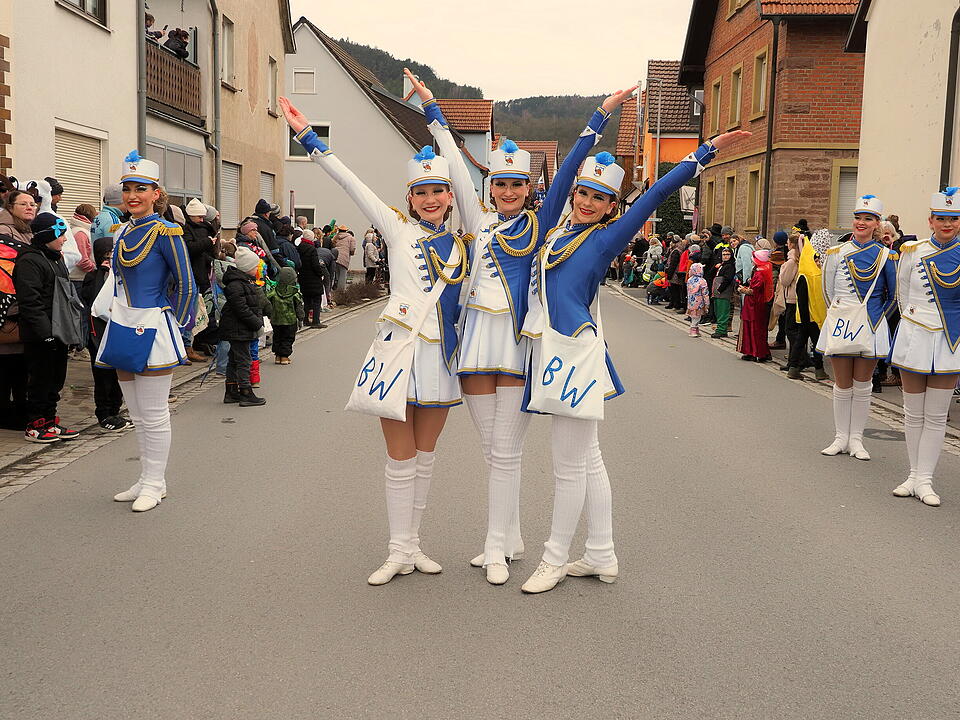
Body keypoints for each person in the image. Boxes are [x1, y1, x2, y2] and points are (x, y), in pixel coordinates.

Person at [408, 70, 636, 585]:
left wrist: (598, 119)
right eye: (500, 183)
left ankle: (495, 548)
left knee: (507, 452)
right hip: (473, 346)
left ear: (529, 188)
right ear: (490, 187)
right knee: (494, 452)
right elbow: (458, 175)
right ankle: (510, 537)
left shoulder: (542, 221)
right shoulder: (477, 219)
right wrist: (431, 109)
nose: (508, 191)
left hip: (515, 346)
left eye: (517, 184)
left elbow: (568, 177)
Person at [518, 129, 750, 594]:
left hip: (574, 354)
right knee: (589, 458)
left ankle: (554, 558)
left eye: (599, 198)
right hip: (553, 350)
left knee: (568, 464)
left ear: (610, 206)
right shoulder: (558, 231)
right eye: (583, 192)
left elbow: (658, 193)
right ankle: (601, 553)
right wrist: (594, 123)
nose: (586, 202)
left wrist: (705, 152)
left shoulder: (606, 238)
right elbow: (562, 175)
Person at [281, 94, 472, 586]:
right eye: (421, 192)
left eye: (439, 191)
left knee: (425, 459)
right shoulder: (397, 229)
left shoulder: (468, 244)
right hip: (398, 354)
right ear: (409, 198)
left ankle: (414, 546)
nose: (430, 199)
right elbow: (351, 181)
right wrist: (308, 138)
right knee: (399, 457)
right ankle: (396, 550)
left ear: (451, 196)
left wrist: (437, 118)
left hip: (442, 358)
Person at [98, 151, 197, 512]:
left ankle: (155, 484)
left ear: (156, 193)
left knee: (154, 414)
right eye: (127, 189)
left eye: (141, 188)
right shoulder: (123, 231)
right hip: (123, 324)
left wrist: (182, 332)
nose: (132, 195)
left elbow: (187, 284)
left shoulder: (167, 232)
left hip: (154, 329)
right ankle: (146, 478)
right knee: (136, 413)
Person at [888, 188, 960, 506]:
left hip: (950, 337)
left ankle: (927, 480)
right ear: (930, 220)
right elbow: (903, 294)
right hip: (915, 334)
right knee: (912, 412)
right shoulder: (912, 252)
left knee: (936, 415)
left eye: (954, 219)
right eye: (941, 218)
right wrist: (912, 325)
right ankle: (913, 475)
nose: (947, 224)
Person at [817, 195, 896, 462]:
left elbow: (893, 296)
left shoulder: (886, 256)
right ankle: (841, 437)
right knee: (841, 384)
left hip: (871, 324)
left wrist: (875, 320)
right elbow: (827, 292)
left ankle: (857, 439)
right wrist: (841, 315)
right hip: (841, 322)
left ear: (877, 224)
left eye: (868, 219)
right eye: (858, 217)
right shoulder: (836, 253)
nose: (861, 223)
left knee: (863, 384)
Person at [13, 212, 81, 443]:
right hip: (40, 334)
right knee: (40, 380)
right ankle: (35, 425)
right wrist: (45, 334)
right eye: (60, 235)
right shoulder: (29, 261)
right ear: (47, 235)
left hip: (59, 330)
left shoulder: (55, 258)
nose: (64, 239)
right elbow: (30, 302)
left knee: (56, 380)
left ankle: (50, 422)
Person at [81, 236, 130, 431]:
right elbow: (94, 302)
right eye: (108, 256)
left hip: (117, 330)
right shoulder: (93, 276)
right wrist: (103, 272)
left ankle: (115, 411)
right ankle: (104, 413)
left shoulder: (121, 275)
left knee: (117, 374)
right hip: (98, 334)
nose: (111, 260)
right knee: (102, 376)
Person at [220, 247, 268, 406]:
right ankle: (245, 392)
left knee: (234, 359)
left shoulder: (242, 282)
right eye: (255, 267)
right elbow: (241, 308)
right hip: (239, 328)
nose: (257, 269)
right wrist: (256, 323)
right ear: (247, 268)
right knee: (244, 360)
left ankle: (231, 391)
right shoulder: (237, 284)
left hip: (239, 327)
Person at [736, 248, 774, 362]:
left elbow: (754, 291)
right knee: (757, 328)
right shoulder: (765, 270)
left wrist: (742, 290)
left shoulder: (759, 273)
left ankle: (753, 351)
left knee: (753, 327)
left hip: (754, 304)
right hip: (757, 304)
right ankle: (758, 352)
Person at [776, 233, 803, 378]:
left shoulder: (792, 261)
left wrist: (782, 271)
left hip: (792, 297)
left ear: (792, 244)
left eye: (788, 242)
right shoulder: (798, 259)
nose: (786, 244)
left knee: (790, 329)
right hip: (795, 297)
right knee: (793, 329)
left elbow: (785, 280)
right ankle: (795, 359)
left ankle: (797, 359)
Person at [267, 266, 303, 365]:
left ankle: (278, 356)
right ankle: (284, 356)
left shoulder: (274, 291)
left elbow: (267, 302)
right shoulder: (295, 293)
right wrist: (301, 319)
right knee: (288, 338)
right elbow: (299, 308)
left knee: (277, 337)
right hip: (290, 320)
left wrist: (269, 314)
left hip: (276, 320)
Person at [295, 229, 329, 327]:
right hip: (313, 278)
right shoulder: (311, 249)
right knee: (317, 300)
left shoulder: (299, 247)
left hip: (303, 277)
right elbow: (315, 264)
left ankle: (305, 320)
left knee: (306, 300)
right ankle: (316, 321)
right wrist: (320, 274)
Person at [710, 246, 736, 338]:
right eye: (723, 254)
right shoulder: (722, 265)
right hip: (718, 292)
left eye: (727, 254)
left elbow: (728, 279)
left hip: (723, 292)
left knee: (723, 312)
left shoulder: (729, 266)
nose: (725, 256)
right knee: (718, 311)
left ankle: (721, 330)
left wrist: (720, 289)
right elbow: (711, 274)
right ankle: (721, 329)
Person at [686, 262, 709, 337]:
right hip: (699, 302)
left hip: (691, 301)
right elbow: (705, 293)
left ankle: (696, 328)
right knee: (697, 316)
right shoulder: (702, 281)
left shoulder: (690, 280)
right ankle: (693, 328)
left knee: (693, 315)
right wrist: (707, 303)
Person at [332, 225, 355, 290]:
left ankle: (334, 289)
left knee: (336, 275)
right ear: (346, 230)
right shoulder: (351, 238)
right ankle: (341, 292)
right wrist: (351, 253)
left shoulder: (335, 237)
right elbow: (352, 249)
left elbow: (333, 245)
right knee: (342, 275)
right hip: (344, 258)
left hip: (335, 256)